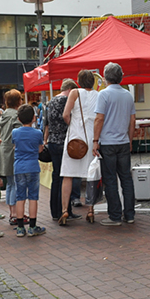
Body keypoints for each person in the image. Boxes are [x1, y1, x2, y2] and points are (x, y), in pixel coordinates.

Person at [93, 62, 136, 226]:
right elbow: (132, 121)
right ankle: (130, 214)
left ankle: (115, 216)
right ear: (121, 77)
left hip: (108, 143)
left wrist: (95, 141)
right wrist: (130, 140)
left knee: (110, 179)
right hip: (124, 141)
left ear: (105, 77)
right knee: (126, 179)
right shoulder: (128, 95)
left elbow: (99, 119)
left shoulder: (103, 95)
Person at [60, 71, 99, 225]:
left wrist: (72, 124)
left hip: (74, 137)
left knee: (68, 175)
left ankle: (64, 210)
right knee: (91, 176)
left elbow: (65, 114)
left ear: (79, 81)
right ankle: (90, 210)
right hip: (91, 136)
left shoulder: (75, 92)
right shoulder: (98, 94)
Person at [45, 78, 80, 222]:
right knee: (66, 176)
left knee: (56, 178)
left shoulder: (50, 102)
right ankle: (64, 210)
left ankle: (55, 210)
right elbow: (69, 117)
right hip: (65, 142)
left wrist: (45, 139)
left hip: (53, 142)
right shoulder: (67, 101)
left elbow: (46, 123)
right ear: (71, 90)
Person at [12, 104, 47, 237]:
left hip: (19, 166)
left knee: (20, 197)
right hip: (33, 166)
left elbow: (15, 145)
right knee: (33, 197)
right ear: (33, 118)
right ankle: (32, 226)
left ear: (19, 119)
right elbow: (40, 149)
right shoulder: (38, 133)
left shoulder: (15, 132)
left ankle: (20, 227)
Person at [0, 89, 24, 225]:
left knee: (9, 183)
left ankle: (12, 212)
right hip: (12, 151)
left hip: (3, 150)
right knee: (15, 183)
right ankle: (15, 214)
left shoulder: (3, 115)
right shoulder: (16, 115)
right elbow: (20, 132)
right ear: (17, 101)